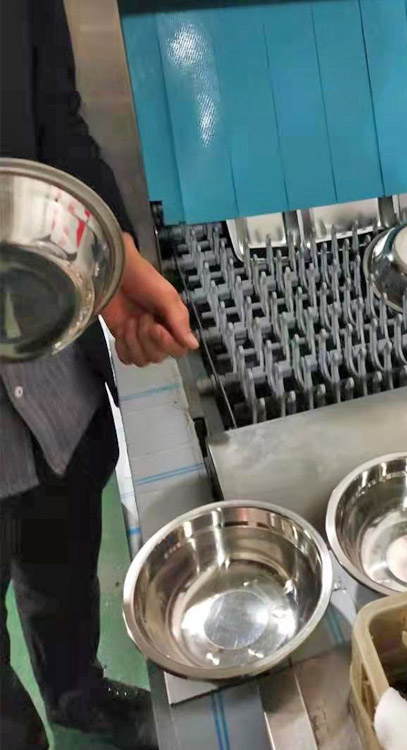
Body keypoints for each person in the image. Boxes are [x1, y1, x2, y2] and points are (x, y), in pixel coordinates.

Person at [1, 1, 199, 748]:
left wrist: (114, 270)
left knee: (63, 558)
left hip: (53, 372)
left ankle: (76, 694)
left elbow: (56, 120)